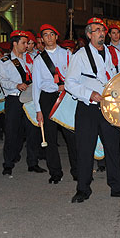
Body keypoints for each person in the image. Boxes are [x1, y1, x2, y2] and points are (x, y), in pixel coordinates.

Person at [65, 17, 120, 202]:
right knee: (85, 149)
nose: (101, 33)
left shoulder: (113, 53)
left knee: (113, 148)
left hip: (110, 107)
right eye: (97, 30)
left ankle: (117, 186)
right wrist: (89, 94)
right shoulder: (80, 56)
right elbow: (69, 83)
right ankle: (83, 189)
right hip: (88, 108)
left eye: (103, 30)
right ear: (89, 34)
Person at [32, 24, 77, 184]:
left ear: (56, 37)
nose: (49, 37)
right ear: (42, 39)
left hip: (65, 96)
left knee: (71, 135)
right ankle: (55, 172)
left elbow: (75, 76)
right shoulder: (38, 60)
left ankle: (77, 170)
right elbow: (36, 86)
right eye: (45, 35)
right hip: (47, 97)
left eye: (52, 34)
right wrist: (38, 110)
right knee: (50, 137)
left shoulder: (67, 55)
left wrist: (68, 86)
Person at [0, 30, 45, 176]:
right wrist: (16, 85)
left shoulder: (31, 59)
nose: (26, 46)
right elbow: (3, 81)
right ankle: (8, 163)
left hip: (30, 98)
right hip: (14, 99)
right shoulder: (4, 62)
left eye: (27, 43)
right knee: (12, 132)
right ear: (15, 43)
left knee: (33, 131)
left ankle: (33, 162)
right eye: (23, 43)